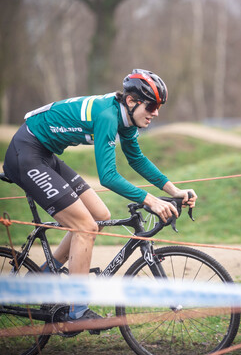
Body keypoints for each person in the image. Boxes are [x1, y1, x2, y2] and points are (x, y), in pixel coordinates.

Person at [3, 69, 197, 324]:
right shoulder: (107, 115)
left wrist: (174, 191)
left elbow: (136, 159)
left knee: (100, 216)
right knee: (85, 227)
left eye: (159, 106)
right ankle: (77, 311)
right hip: (26, 153)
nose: (156, 112)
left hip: (45, 153)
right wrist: (150, 200)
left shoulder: (125, 117)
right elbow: (107, 176)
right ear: (131, 101)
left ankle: (43, 276)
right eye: (151, 105)